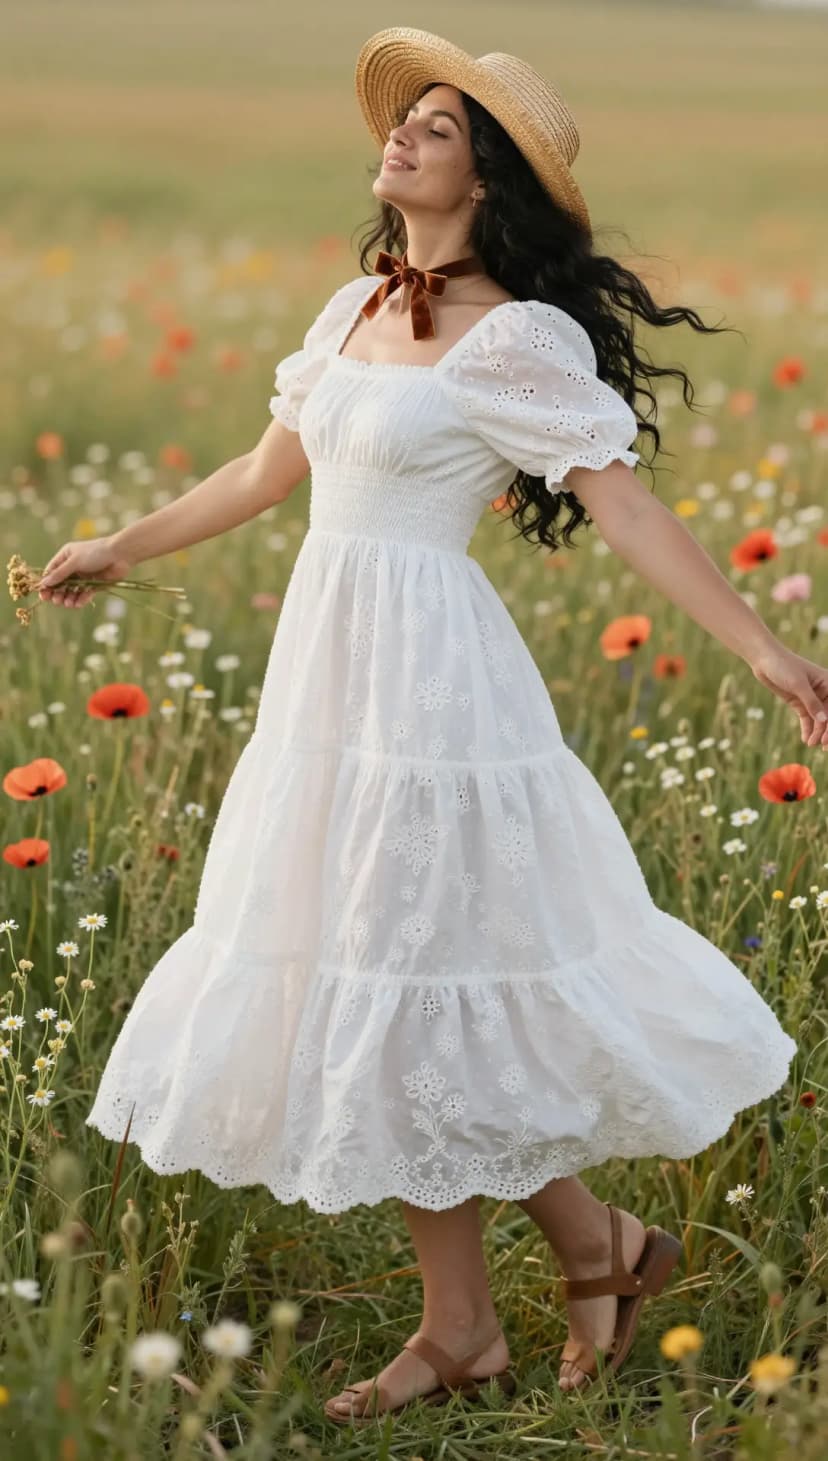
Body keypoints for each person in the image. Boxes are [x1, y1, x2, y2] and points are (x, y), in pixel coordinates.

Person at [37, 25, 818, 1425]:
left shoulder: (518, 337)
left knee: (419, 976)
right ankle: (541, 1282)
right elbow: (264, 472)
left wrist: (762, 646)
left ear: (487, 177)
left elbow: (625, 506)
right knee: (379, 975)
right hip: (328, 688)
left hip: (435, 696)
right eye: (408, 119)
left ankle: (515, 1297)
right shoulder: (353, 307)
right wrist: (120, 544)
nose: (401, 133)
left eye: (440, 127)